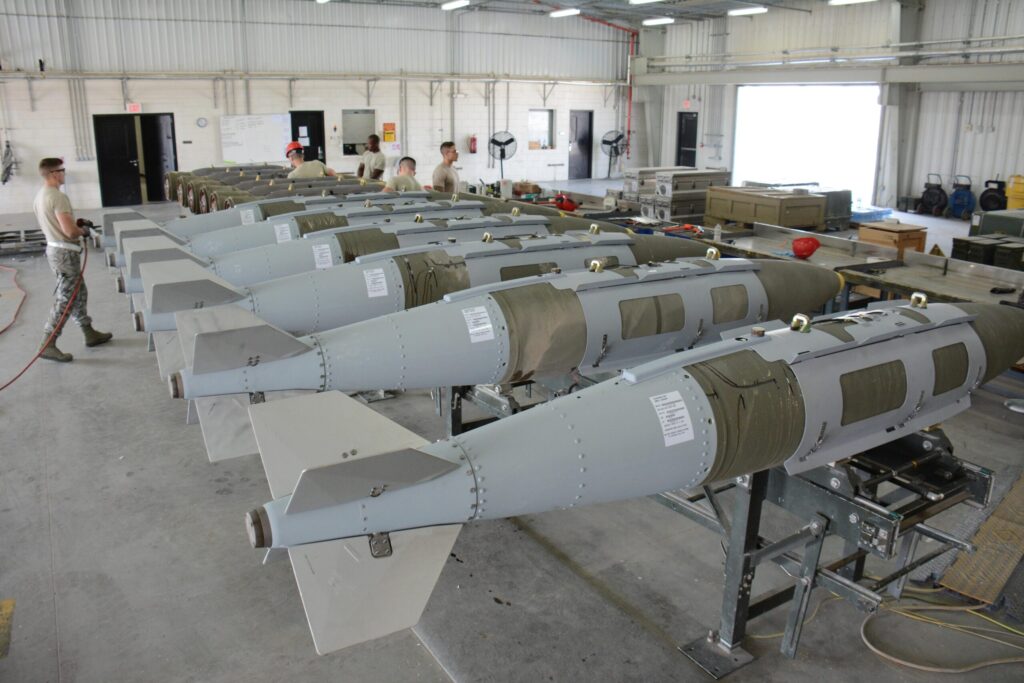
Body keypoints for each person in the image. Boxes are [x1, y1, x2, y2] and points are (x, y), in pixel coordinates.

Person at [34, 158, 112, 362]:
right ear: (54, 174)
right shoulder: (58, 197)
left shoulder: (41, 195)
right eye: (62, 170)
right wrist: (83, 231)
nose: (64, 174)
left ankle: (88, 332)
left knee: (78, 293)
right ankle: (48, 343)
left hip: (56, 250)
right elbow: (69, 231)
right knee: (66, 298)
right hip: (65, 254)